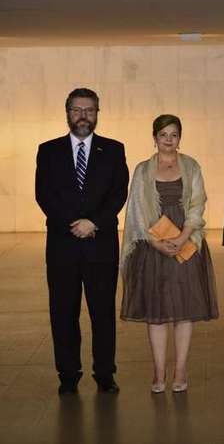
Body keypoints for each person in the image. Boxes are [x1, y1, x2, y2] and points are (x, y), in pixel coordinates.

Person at [35, 88, 129, 395]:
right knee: (63, 312)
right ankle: (68, 374)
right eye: (77, 110)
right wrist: (71, 224)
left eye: (89, 110)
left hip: (101, 245)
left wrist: (94, 222)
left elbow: (118, 192)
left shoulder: (114, 150)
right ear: (67, 113)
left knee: (102, 312)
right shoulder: (48, 151)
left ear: (97, 114)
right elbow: (44, 195)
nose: (83, 116)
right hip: (62, 245)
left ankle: (105, 373)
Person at [120, 114, 218, 393]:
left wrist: (183, 236)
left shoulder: (191, 166)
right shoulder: (142, 170)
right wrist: (155, 242)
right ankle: (159, 371)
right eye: (163, 134)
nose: (168, 140)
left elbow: (198, 203)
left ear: (180, 138)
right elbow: (137, 211)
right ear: (154, 137)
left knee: (185, 310)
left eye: (174, 135)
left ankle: (181, 369)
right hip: (153, 247)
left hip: (186, 244)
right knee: (157, 311)